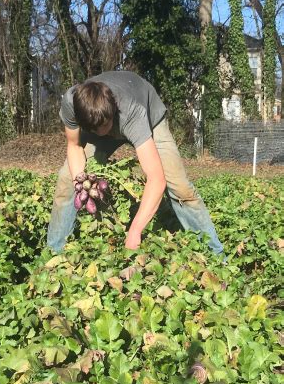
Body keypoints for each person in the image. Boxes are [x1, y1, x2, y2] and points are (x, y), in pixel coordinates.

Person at [47, 70, 223, 255]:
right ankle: (54, 253)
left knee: (180, 188)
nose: (100, 133)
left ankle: (215, 255)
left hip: (150, 119)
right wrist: (80, 184)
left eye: (104, 127)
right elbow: (74, 146)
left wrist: (135, 230)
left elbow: (156, 179)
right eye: (93, 129)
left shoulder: (132, 112)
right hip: (98, 117)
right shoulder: (72, 103)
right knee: (66, 180)